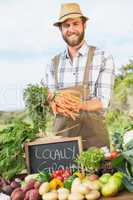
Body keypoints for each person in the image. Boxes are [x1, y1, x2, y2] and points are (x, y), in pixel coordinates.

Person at [44, 2, 115, 150]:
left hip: (95, 142)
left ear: (84, 25)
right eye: (66, 25)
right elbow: (51, 102)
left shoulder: (102, 57)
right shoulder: (52, 64)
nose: (71, 29)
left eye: (75, 23)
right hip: (63, 144)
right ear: (60, 29)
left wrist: (74, 104)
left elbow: (102, 102)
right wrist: (50, 101)